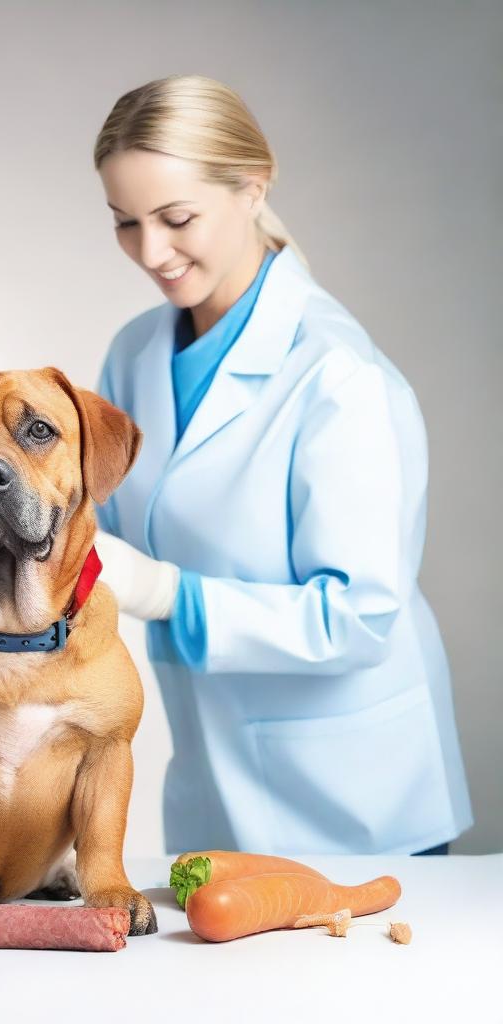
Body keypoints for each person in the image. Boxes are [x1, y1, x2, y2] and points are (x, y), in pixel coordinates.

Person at [90, 74, 472, 857]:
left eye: (176, 218)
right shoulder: (133, 356)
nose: (151, 251)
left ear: (252, 188)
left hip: (357, 796)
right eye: (126, 223)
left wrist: (166, 593)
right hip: (213, 778)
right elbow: (95, 533)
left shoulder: (337, 374)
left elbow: (359, 618)